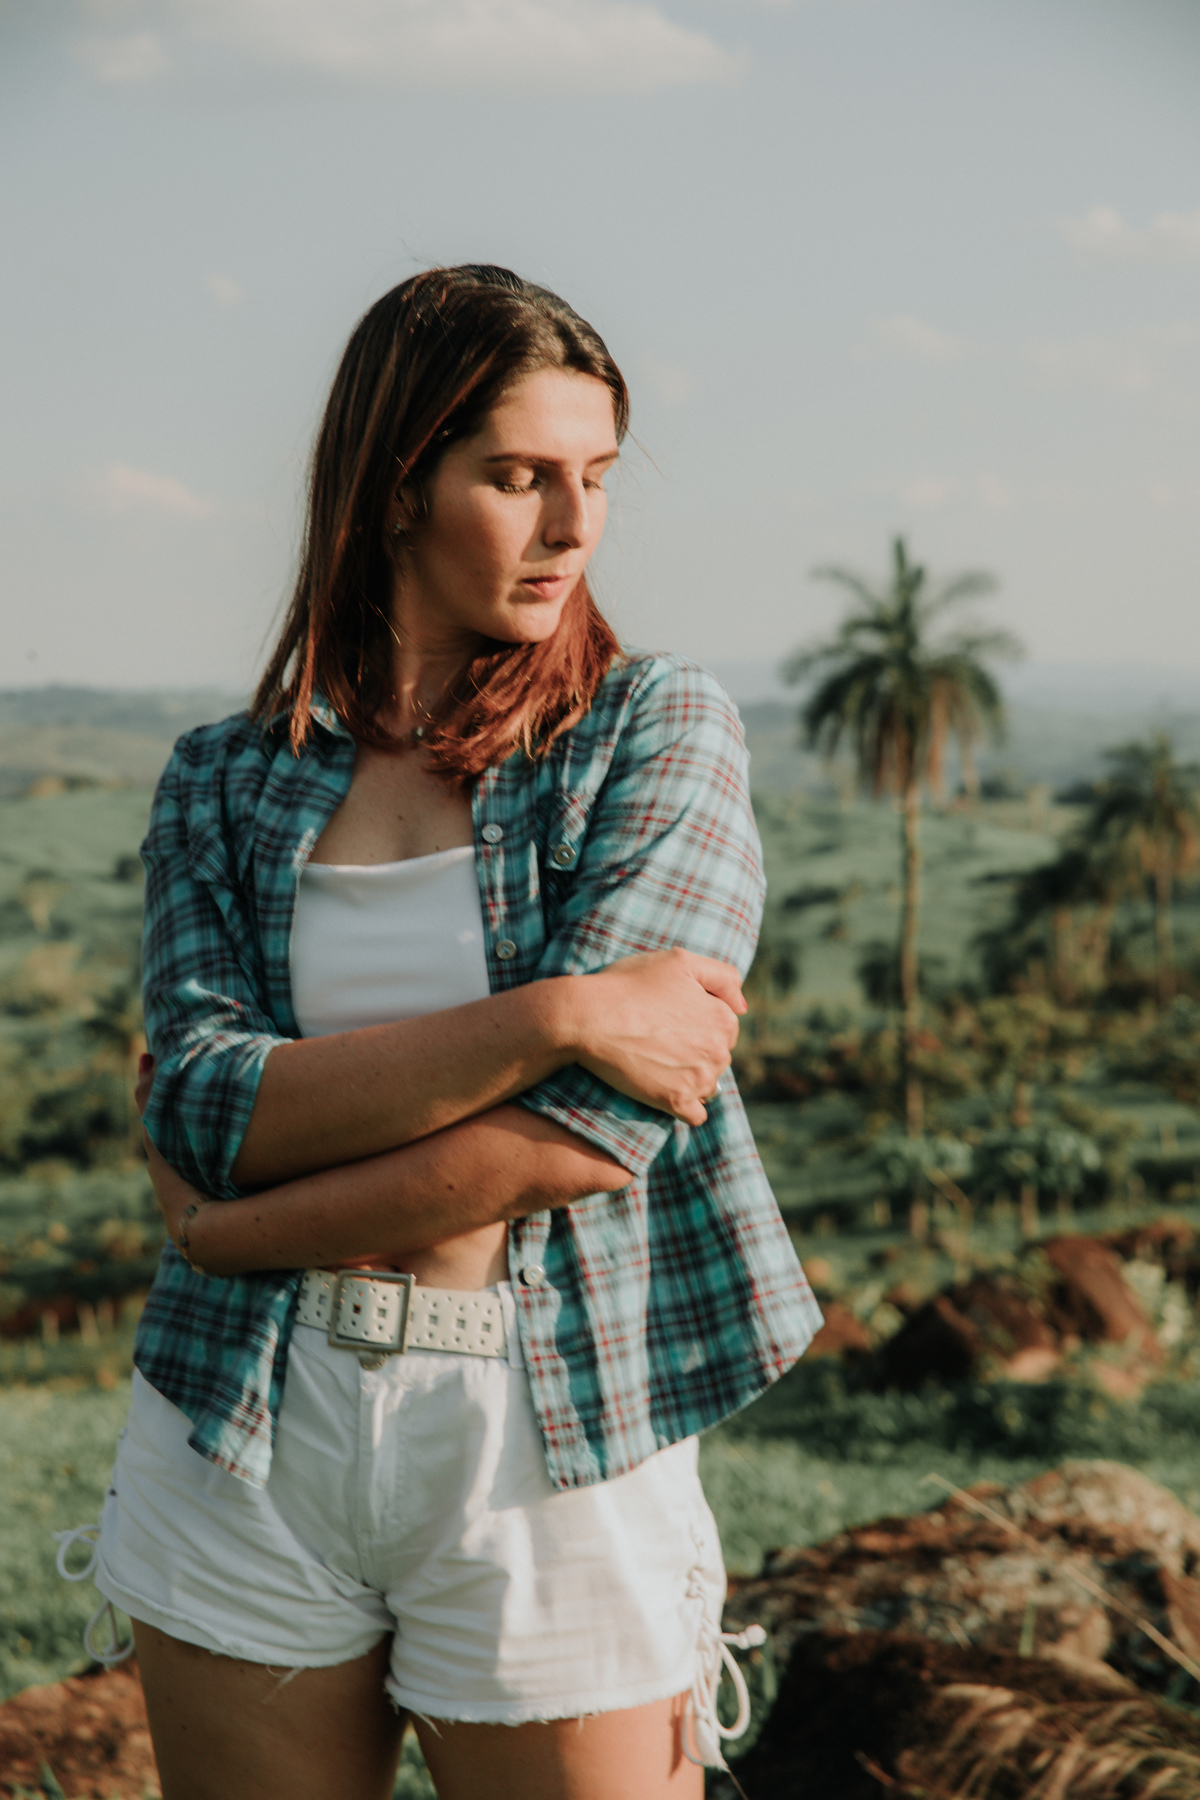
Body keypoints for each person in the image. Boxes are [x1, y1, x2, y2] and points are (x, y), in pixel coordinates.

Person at [91, 265, 821, 1800]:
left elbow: (592, 1134)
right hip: (244, 1423)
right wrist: (558, 1011)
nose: (573, 524)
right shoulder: (224, 777)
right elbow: (204, 1106)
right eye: (518, 477)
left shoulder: (656, 731)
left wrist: (233, 1233)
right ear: (394, 483)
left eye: (597, 478)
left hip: (543, 1425)